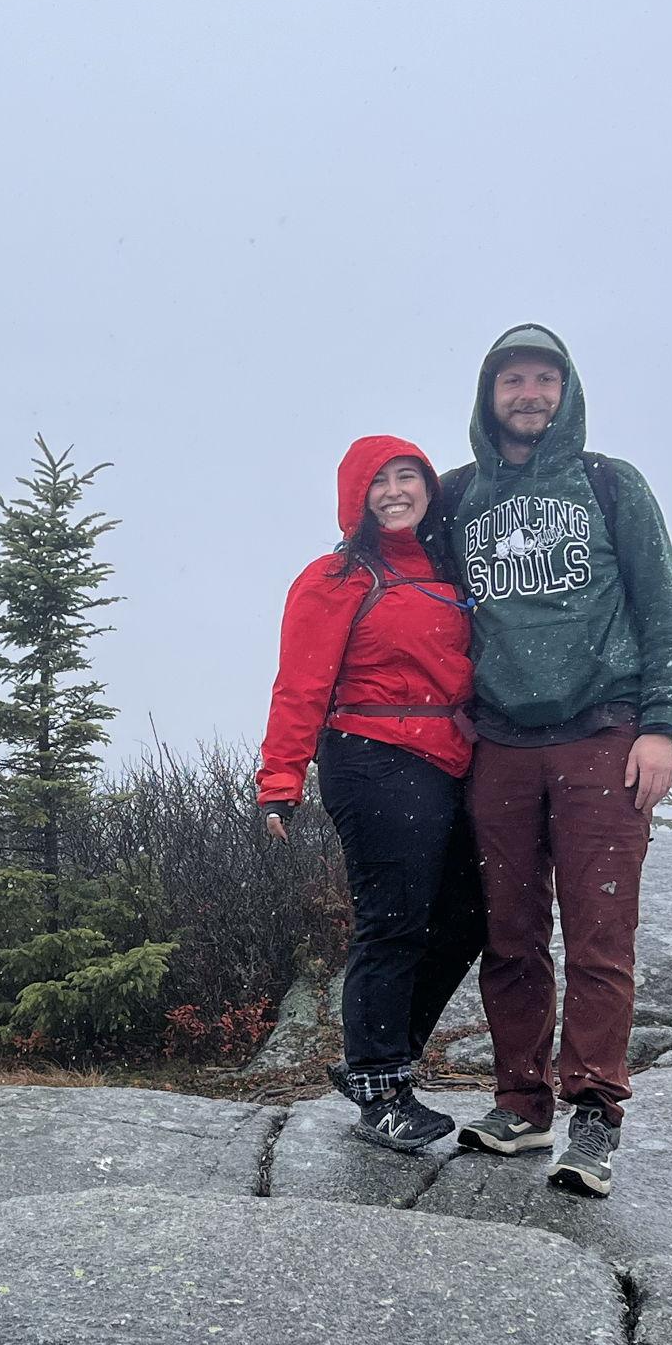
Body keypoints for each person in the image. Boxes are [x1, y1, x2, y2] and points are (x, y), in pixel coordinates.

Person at [436, 324, 672, 1197]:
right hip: (500, 746)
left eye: (545, 379)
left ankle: (594, 1116)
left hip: (602, 734)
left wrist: (660, 724)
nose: (530, 393)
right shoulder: (458, 496)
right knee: (509, 936)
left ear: (567, 390)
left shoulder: (609, 484)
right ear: (490, 395)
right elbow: (419, 599)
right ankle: (521, 1101)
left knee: (598, 934)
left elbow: (662, 602)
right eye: (513, 379)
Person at [257, 436, 484, 1154]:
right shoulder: (337, 577)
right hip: (370, 759)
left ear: (428, 488)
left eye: (408, 476)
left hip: (449, 762)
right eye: (377, 480)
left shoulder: (451, 570)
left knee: (468, 917)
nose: (395, 490)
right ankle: (380, 1090)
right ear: (354, 497)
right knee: (393, 922)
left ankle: (375, 1059)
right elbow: (301, 683)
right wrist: (280, 779)